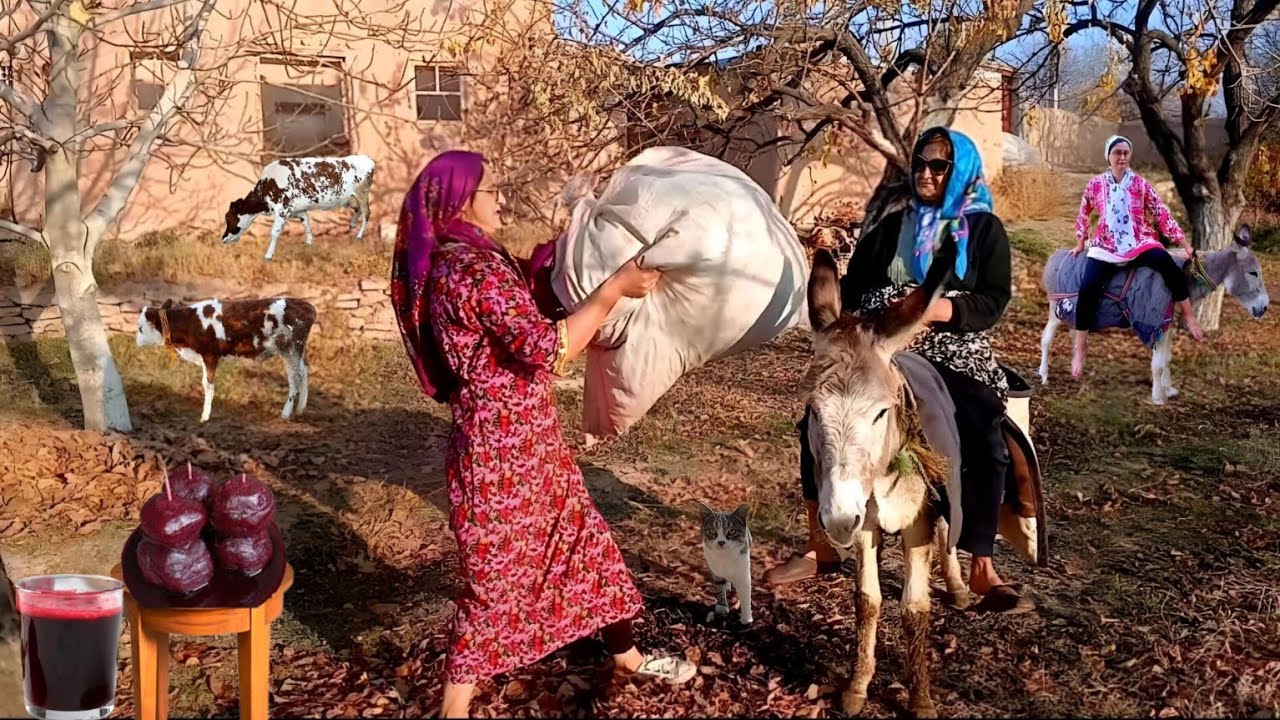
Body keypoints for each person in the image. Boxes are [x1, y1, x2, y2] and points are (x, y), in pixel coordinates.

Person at [391, 151, 697, 718]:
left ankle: (625, 656)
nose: (501, 198)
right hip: (500, 455)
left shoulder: (475, 258)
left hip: (529, 444)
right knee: (496, 581)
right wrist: (611, 290)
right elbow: (546, 348)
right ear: (459, 201)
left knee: (586, 546)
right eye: (492, 190)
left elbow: (524, 315)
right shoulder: (469, 271)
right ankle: (453, 707)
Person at [764, 127, 1033, 614]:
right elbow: (853, 284)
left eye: (940, 166)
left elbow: (993, 300)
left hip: (951, 346)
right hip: (878, 342)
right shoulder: (890, 228)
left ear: (962, 172)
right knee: (821, 418)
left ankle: (980, 560)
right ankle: (820, 545)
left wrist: (936, 311)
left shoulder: (985, 230)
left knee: (980, 424)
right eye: (920, 165)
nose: (927, 174)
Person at [1069, 135, 1203, 377]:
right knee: (1087, 288)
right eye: (1117, 152)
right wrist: (1081, 241)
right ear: (1108, 156)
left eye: (1125, 152)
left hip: (1139, 241)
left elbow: (1161, 213)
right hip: (1106, 245)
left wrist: (1185, 244)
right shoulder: (1096, 184)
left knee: (1168, 265)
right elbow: (1084, 210)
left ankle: (1189, 315)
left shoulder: (1140, 184)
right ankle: (1080, 346)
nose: (1121, 156)